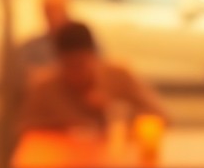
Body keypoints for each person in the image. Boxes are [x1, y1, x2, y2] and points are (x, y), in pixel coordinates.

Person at [19, 21, 164, 132]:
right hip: (63, 164)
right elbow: (25, 128)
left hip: (116, 164)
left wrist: (112, 109)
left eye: (81, 64)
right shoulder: (45, 86)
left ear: (94, 57)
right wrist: (61, 127)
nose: (75, 73)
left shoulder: (119, 76)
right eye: (68, 66)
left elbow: (160, 116)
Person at [15, 0, 74, 91]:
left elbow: (96, 73)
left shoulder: (80, 42)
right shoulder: (31, 47)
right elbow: (28, 79)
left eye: (58, 9)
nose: (54, 15)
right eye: (49, 10)